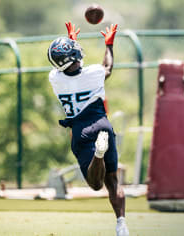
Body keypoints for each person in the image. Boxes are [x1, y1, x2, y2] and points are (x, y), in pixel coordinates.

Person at [47, 22, 129, 236]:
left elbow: (67, 67)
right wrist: (109, 45)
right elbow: (107, 67)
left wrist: (70, 42)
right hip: (103, 125)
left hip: (80, 131)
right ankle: (121, 224)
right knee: (112, 181)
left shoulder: (54, 79)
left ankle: (97, 155)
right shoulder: (94, 73)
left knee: (95, 185)